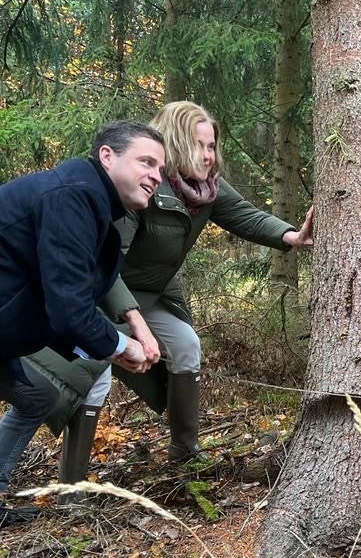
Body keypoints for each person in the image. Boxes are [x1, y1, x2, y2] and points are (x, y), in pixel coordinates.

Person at [28, 100, 314, 478]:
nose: (208, 155)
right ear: (176, 143)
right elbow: (102, 265)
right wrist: (131, 325)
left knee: (185, 345)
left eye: (212, 146)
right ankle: (72, 486)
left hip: (150, 296)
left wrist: (291, 236)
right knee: (90, 380)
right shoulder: (142, 186)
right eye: (199, 145)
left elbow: (245, 215)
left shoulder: (206, 189)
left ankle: (185, 454)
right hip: (102, 294)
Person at [0, 119, 165, 558]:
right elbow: (69, 307)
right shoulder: (73, 196)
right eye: (145, 162)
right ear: (107, 157)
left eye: (160, 168)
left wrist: (117, 344)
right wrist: (121, 347)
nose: (155, 175)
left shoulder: (93, 206)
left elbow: (58, 304)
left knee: (33, 395)